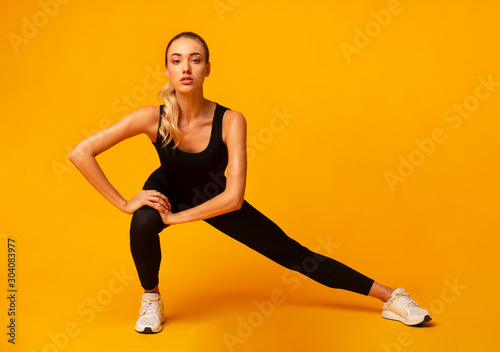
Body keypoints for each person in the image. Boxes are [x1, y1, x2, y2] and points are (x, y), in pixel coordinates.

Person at [68, 31, 432, 334]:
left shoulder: (230, 120)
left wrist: (178, 218)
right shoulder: (152, 117)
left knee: (294, 255)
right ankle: (151, 300)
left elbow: (234, 198)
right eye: (176, 60)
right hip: (166, 189)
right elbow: (81, 152)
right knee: (142, 221)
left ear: (208, 68)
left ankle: (391, 297)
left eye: (195, 59)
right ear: (166, 69)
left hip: (215, 197)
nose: (186, 67)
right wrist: (124, 202)